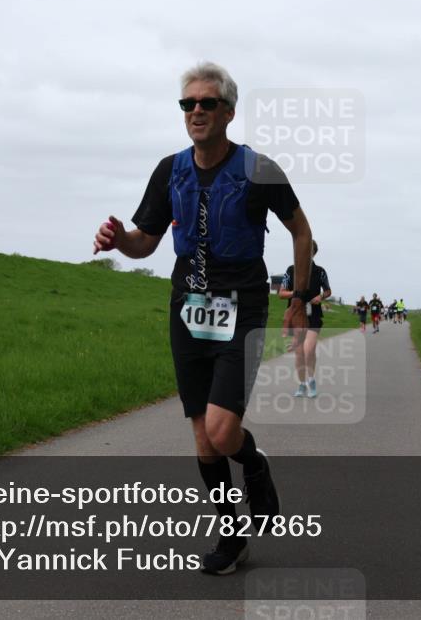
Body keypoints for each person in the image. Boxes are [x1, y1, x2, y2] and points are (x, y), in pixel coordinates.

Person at [93, 62, 314, 575]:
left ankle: (253, 462)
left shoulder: (258, 169)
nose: (196, 111)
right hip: (188, 309)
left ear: (228, 112)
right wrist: (119, 240)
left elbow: (302, 232)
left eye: (207, 103)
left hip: (244, 308)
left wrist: (298, 299)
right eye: (188, 103)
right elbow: (145, 243)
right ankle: (231, 536)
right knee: (202, 437)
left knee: (221, 430)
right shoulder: (170, 171)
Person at [278, 240, 331, 398]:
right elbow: (281, 293)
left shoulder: (320, 271)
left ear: (313, 253)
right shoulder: (291, 270)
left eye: (309, 250)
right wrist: (295, 294)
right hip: (296, 315)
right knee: (300, 353)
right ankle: (302, 384)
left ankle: (311, 380)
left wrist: (320, 297)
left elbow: (328, 291)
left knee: (309, 350)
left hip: (314, 314)